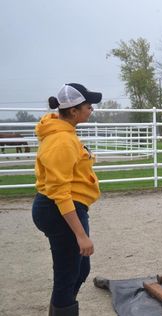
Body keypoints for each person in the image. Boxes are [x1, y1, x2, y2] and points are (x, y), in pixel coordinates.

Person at [32, 83, 102, 316]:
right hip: (61, 209)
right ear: (73, 111)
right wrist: (81, 235)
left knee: (79, 269)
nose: (91, 108)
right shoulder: (61, 140)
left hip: (64, 206)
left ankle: (61, 308)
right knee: (67, 274)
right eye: (88, 105)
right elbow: (60, 191)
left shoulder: (65, 134)